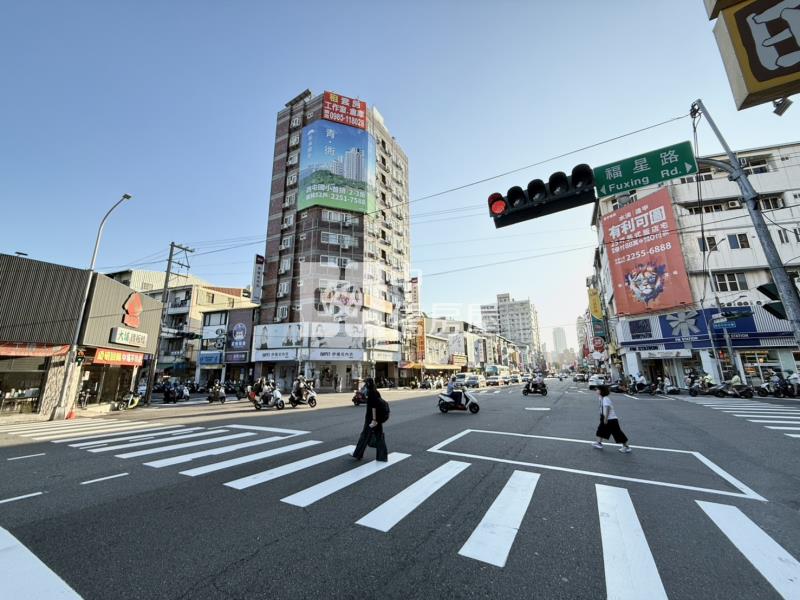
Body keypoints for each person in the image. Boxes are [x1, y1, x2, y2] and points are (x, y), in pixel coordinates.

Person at [352, 377, 388, 462]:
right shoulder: (376, 392)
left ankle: (358, 454)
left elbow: (373, 408)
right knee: (379, 437)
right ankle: (382, 457)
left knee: (364, 436)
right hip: (377, 419)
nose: (365, 385)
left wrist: (374, 420)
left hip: (371, 419)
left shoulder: (371, 393)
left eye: (366, 383)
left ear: (368, 384)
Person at [593, 384, 631, 453]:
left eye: (598, 389)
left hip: (611, 419)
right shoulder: (601, 397)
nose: (596, 391)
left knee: (617, 433)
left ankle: (626, 447)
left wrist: (605, 418)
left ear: (601, 391)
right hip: (605, 417)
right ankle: (599, 443)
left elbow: (607, 408)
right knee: (601, 430)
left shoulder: (605, 399)